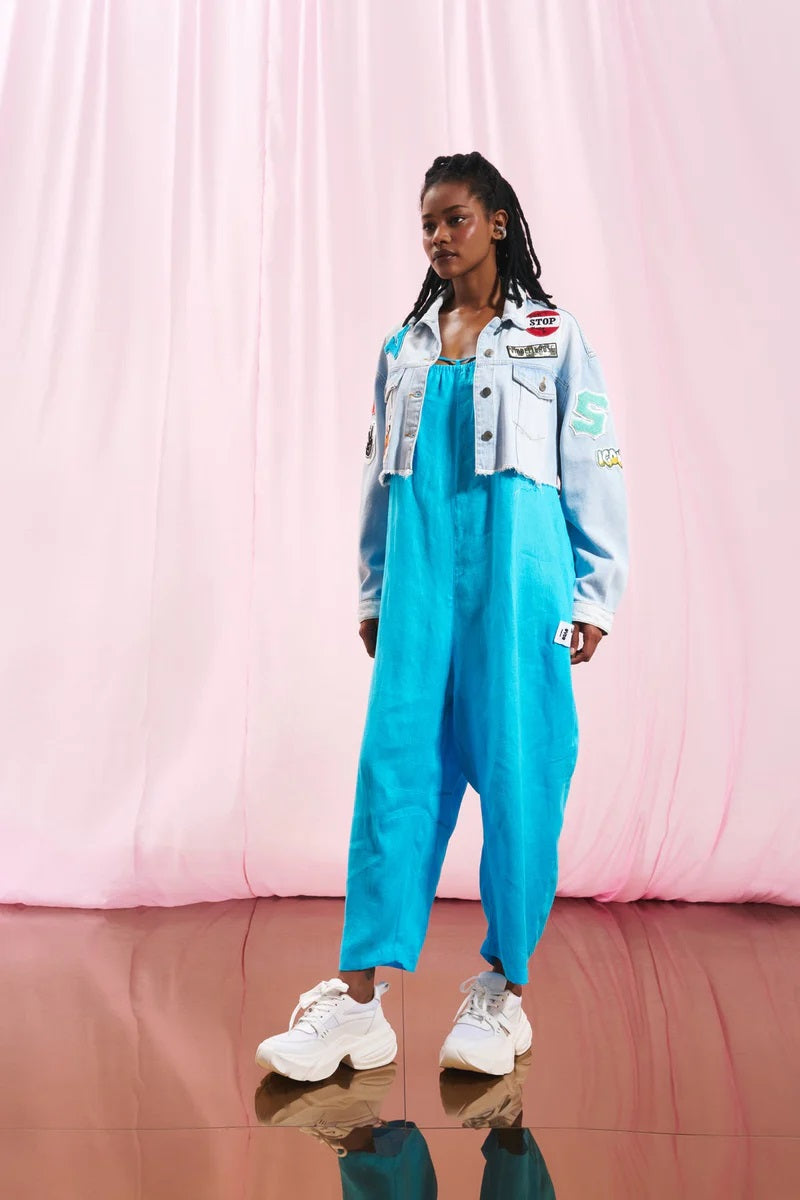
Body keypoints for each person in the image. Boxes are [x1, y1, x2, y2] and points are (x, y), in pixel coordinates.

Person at [255, 150, 629, 1082]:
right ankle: (357, 1006)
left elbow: (595, 459)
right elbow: (378, 478)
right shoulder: (405, 349)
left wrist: (594, 592)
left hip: (521, 583)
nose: (439, 236)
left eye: (455, 218)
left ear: (496, 222)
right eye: (428, 223)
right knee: (395, 776)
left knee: (520, 773)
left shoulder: (552, 336)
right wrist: (373, 587)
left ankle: (504, 992)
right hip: (421, 584)